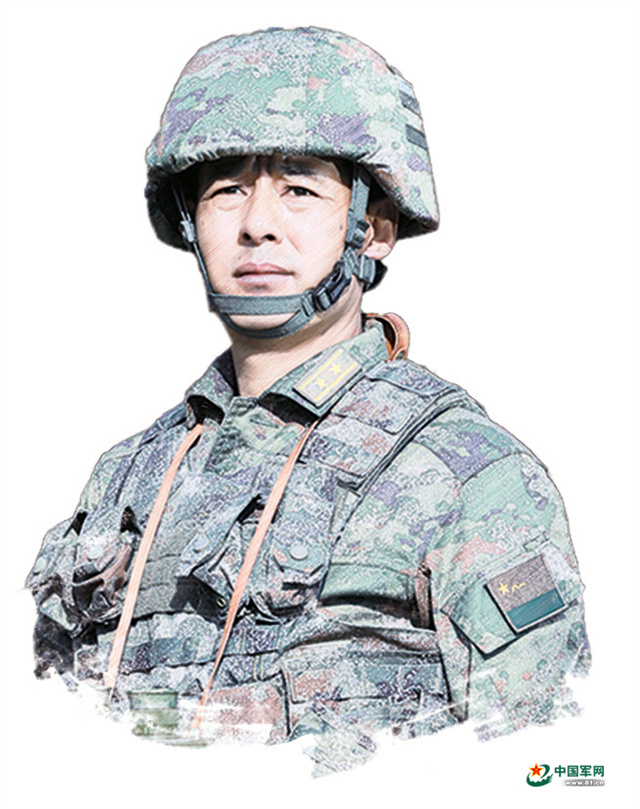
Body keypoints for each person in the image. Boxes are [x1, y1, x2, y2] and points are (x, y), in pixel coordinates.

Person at [26, 26, 590, 773]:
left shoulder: (469, 476)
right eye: (227, 189)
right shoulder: (126, 479)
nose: (257, 225)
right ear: (190, 221)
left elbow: (542, 768)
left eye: (300, 190)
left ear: (374, 228)